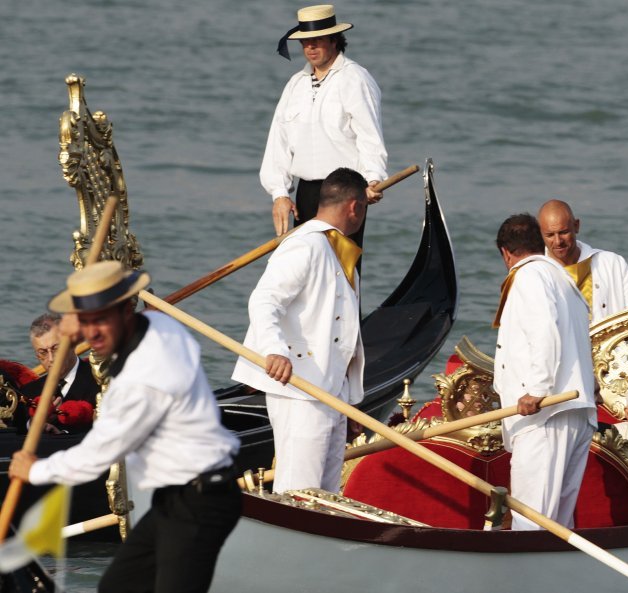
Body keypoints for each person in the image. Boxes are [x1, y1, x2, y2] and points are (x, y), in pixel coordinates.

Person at [9, 261, 241, 593]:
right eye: (88, 323)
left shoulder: (142, 380)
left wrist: (35, 471)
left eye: (102, 321)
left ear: (127, 310)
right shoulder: (161, 326)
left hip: (200, 503)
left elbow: (97, 455)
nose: (93, 334)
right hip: (173, 500)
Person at [232, 167, 367, 494]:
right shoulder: (305, 245)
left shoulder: (339, 253)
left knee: (327, 493)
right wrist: (274, 350)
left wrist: (348, 402)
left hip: (330, 395)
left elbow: (342, 334)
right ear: (354, 206)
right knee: (299, 489)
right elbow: (265, 299)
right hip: (300, 388)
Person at [492, 213, 596, 530]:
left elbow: (543, 331)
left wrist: (537, 390)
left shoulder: (529, 277)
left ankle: (525, 578)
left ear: (505, 253)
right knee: (556, 525)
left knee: (531, 520)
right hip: (571, 412)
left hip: (545, 414)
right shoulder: (563, 281)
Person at [262, 4, 387, 236]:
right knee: (307, 263)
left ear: (333, 39)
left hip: (345, 192)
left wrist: (372, 179)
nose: (310, 47)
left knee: (339, 266)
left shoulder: (355, 79)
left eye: (317, 40)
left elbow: (369, 135)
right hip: (306, 193)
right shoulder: (295, 84)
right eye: (305, 42)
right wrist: (280, 194)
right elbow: (278, 141)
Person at [537, 199, 628, 324]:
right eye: (550, 235)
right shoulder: (534, 274)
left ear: (576, 226)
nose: (558, 241)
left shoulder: (613, 264)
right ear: (540, 234)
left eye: (563, 232)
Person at [16, 313, 100, 435]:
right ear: (36, 355)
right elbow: (16, 431)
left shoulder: (102, 381)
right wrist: (34, 424)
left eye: (55, 348)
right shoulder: (28, 393)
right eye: (43, 352)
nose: (50, 359)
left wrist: (62, 434)